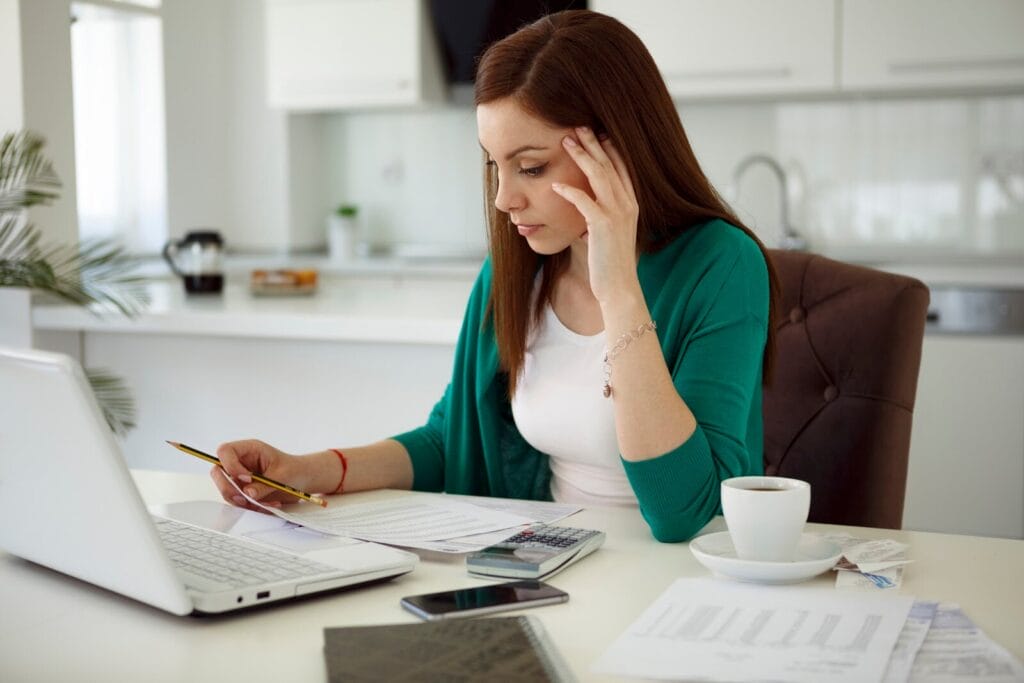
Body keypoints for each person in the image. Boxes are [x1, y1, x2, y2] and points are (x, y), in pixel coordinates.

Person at [211, 9, 778, 543]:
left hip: (670, 580)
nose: (505, 199)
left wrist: (620, 292)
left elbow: (684, 510)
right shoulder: (517, 270)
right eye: (494, 164)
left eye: (530, 167)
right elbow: (449, 440)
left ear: (615, 150)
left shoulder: (722, 265)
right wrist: (305, 472)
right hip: (552, 560)